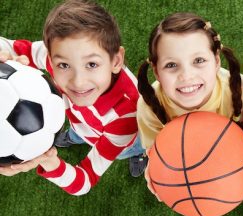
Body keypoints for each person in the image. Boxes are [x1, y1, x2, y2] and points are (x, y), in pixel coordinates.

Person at [0, 0, 148, 195]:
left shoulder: (125, 117)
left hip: (124, 138)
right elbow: (8, 45)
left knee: (131, 147)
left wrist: (49, 161)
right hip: (80, 122)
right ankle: (75, 135)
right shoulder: (53, 58)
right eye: (64, 66)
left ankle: (138, 154)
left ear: (116, 60)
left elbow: (84, 181)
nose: (78, 82)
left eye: (92, 64)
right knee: (79, 130)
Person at [136, 12, 243, 200]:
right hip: (181, 151)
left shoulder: (233, 89)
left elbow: (241, 128)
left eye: (198, 61)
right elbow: (154, 146)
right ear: (156, 72)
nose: (186, 76)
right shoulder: (149, 106)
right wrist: (156, 162)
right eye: (171, 65)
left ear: (216, 61)